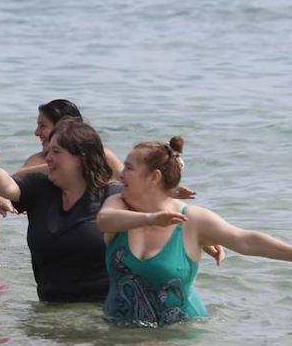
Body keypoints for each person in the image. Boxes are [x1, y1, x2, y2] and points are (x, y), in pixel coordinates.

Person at [97, 136, 292, 326]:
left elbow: (245, 240)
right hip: (118, 336)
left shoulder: (192, 219)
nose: (121, 174)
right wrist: (152, 218)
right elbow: (104, 221)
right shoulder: (118, 205)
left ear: (154, 177)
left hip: (180, 339)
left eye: (129, 168)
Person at [0, 119, 122, 303]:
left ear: (81, 157)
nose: (48, 158)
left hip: (100, 308)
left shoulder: (112, 195)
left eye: (56, 152)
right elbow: (8, 188)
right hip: (49, 308)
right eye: (48, 151)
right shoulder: (39, 187)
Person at [22, 99, 123, 174]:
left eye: (42, 126)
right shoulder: (35, 161)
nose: (36, 132)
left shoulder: (102, 157)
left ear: (63, 127)